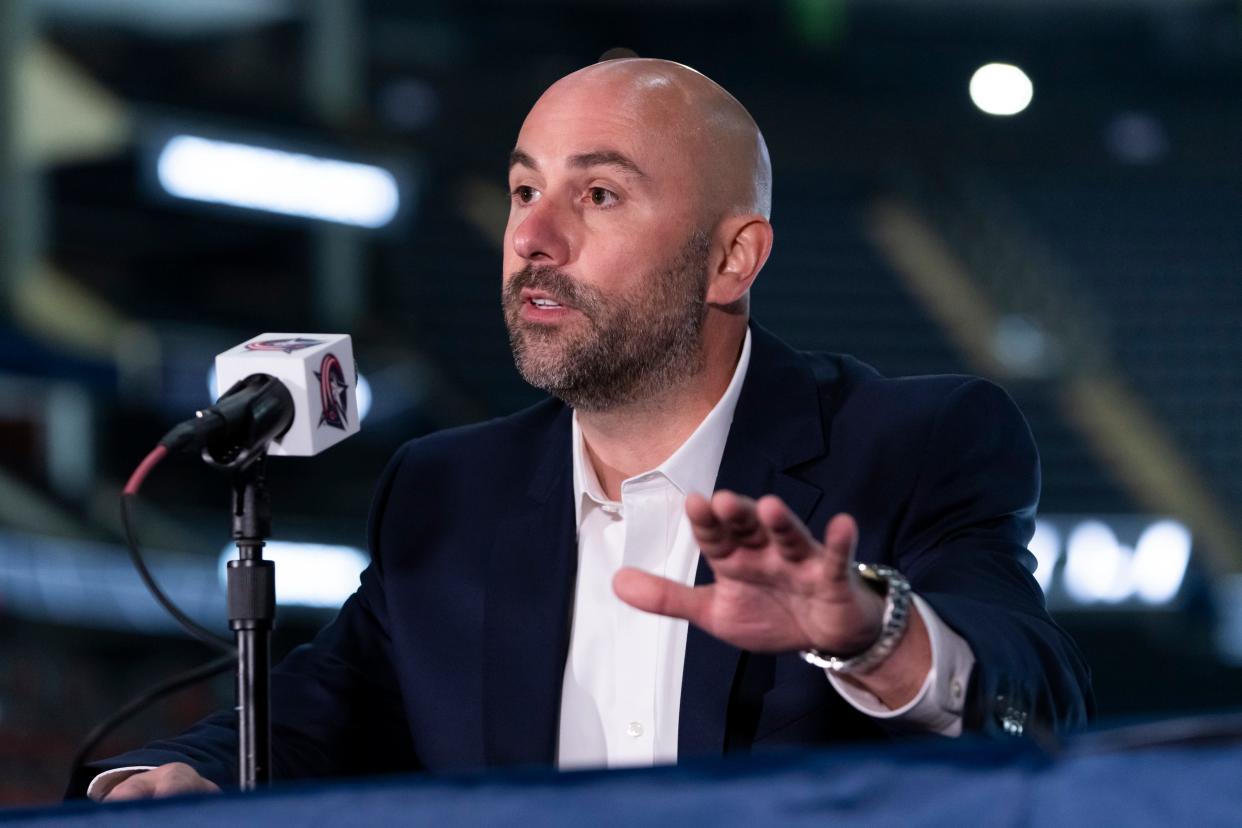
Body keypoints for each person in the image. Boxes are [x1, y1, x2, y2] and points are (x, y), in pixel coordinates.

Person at [83, 58, 1091, 801]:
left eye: (597, 195)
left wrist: (870, 634)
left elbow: (1037, 701)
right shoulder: (446, 490)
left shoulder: (915, 442)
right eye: (526, 190)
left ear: (732, 259)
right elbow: (320, 714)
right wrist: (178, 782)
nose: (530, 236)